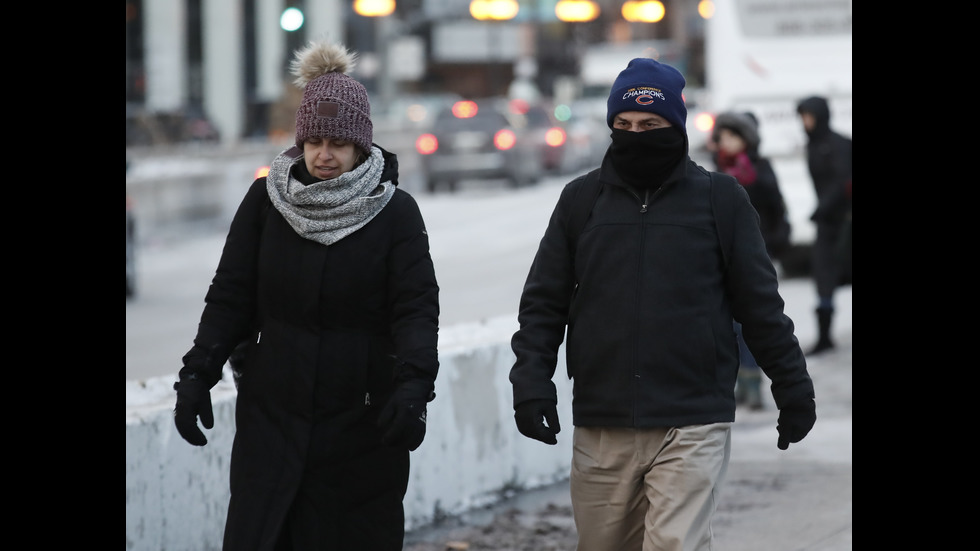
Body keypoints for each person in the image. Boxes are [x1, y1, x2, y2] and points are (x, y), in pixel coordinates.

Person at [509, 57, 816, 551]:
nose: (636, 135)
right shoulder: (581, 201)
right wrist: (530, 382)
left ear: (675, 125)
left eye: (650, 125)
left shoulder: (720, 199)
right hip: (603, 418)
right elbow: (544, 302)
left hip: (693, 418)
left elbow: (760, 306)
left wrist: (793, 388)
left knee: (677, 545)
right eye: (624, 125)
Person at [172, 41, 440, 551]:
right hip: (272, 420)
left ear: (361, 145)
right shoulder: (265, 203)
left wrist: (413, 389)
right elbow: (230, 297)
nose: (324, 154)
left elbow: (416, 308)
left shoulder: (394, 213)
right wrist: (196, 374)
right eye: (314, 140)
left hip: (361, 427)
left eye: (337, 142)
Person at [711, 111, 793, 410]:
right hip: (720, 258)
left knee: (751, 322)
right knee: (727, 324)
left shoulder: (759, 169)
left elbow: (777, 209)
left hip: (755, 257)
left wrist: (775, 243)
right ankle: (739, 382)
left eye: (733, 135)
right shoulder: (712, 171)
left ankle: (753, 383)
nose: (727, 142)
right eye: (723, 136)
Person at [796, 96, 852, 355]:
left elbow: (843, 181)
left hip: (845, 223)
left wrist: (823, 208)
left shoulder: (839, 144)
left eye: (809, 116)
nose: (805, 122)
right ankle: (825, 336)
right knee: (823, 277)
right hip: (827, 224)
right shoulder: (814, 145)